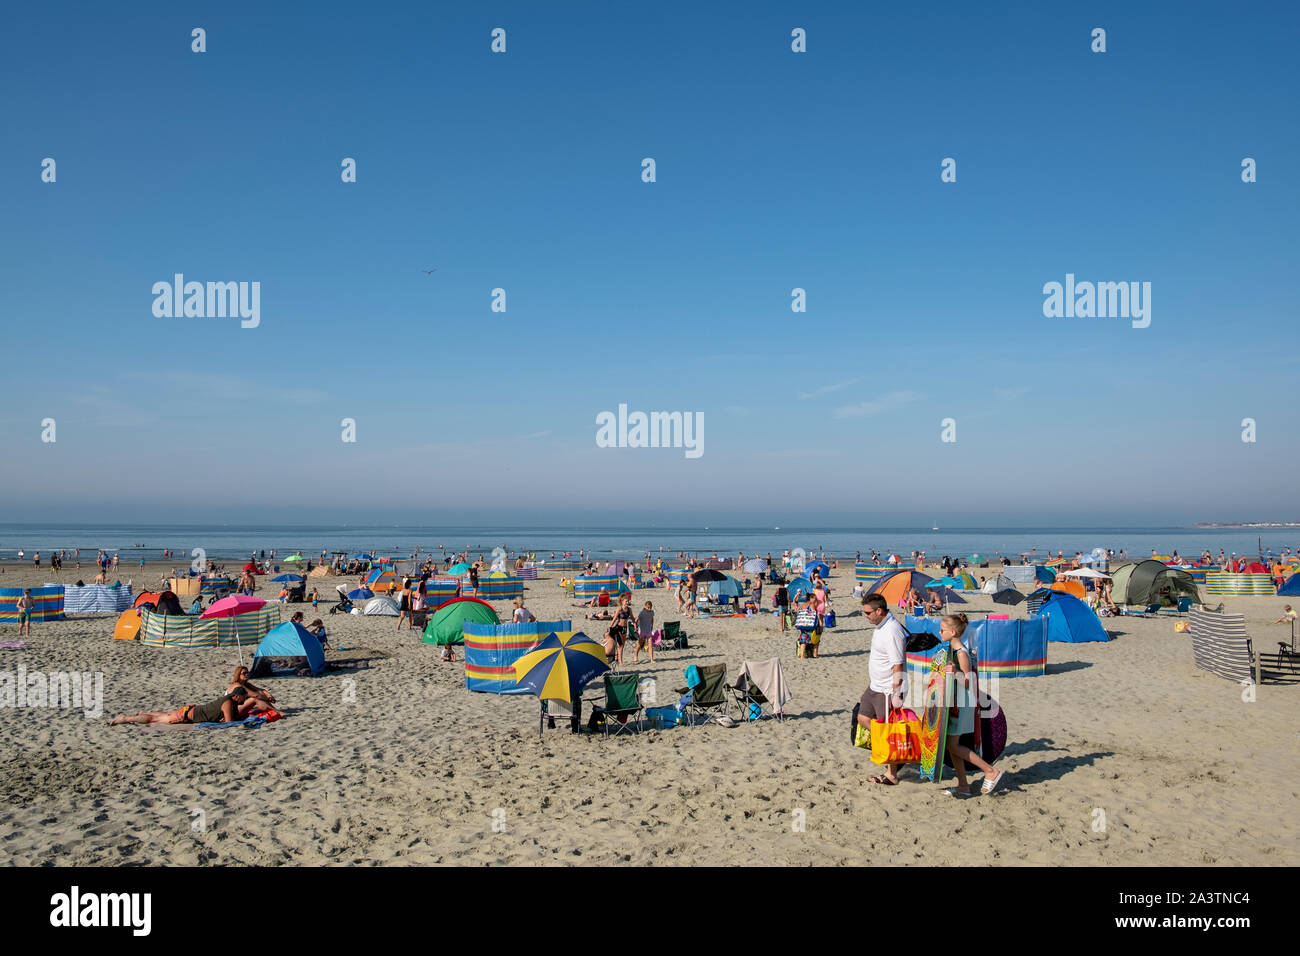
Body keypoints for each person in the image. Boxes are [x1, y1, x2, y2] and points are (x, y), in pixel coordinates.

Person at [938, 613, 1007, 797]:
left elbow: (969, 681)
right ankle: (963, 785)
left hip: (962, 704)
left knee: (954, 745)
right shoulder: (952, 649)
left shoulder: (961, 652)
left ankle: (989, 771)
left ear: (953, 632)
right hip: (954, 702)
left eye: (942, 630)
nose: (939, 632)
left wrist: (955, 672)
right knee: (952, 745)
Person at [858, 594, 908, 785]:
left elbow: (898, 665)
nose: (866, 616)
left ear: (879, 611)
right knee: (863, 718)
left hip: (888, 689)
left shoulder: (892, 630)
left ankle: (892, 774)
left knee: (886, 731)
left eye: (868, 612)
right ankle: (890, 752)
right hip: (874, 686)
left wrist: (896, 693)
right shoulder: (881, 626)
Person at [109, 685, 261, 725]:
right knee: (157, 720)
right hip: (187, 714)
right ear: (236, 696)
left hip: (191, 710)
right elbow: (230, 723)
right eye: (243, 697)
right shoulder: (228, 703)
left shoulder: (230, 702)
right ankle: (126, 718)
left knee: (165, 716)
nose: (244, 699)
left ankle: (143, 713)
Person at [634, 600, 655, 664]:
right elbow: (636, 620)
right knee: (640, 644)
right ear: (645, 606)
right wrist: (635, 627)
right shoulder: (642, 612)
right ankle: (635, 655)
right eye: (648, 607)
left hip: (648, 629)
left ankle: (651, 659)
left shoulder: (652, 612)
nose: (649, 609)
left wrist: (652, 626)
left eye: (650, 607)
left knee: (650, 644)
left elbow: (652, 619)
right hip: (642, 630)